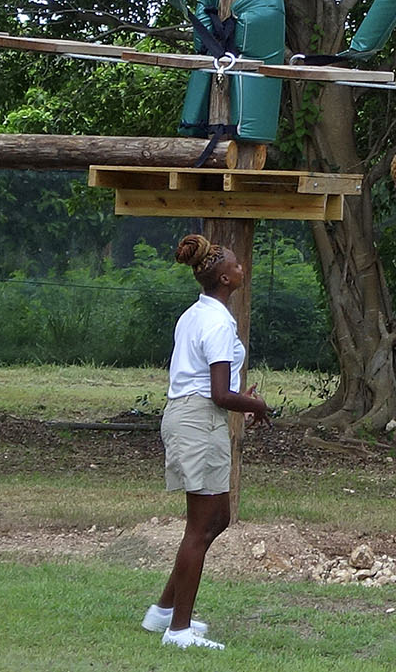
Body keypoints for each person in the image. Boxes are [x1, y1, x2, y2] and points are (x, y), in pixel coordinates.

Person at [143, 233, 273, 651]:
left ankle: (164, 610)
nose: (241, 268)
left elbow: (216, 384)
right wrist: (255, 403)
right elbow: (219, 392)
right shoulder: (217, 321)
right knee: (200, 527)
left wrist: (241, 398)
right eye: (235, 265)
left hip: (195, 417)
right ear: (224, 279)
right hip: (199, 419)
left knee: (216, 518)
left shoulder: (194, 314)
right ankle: (178, 631)